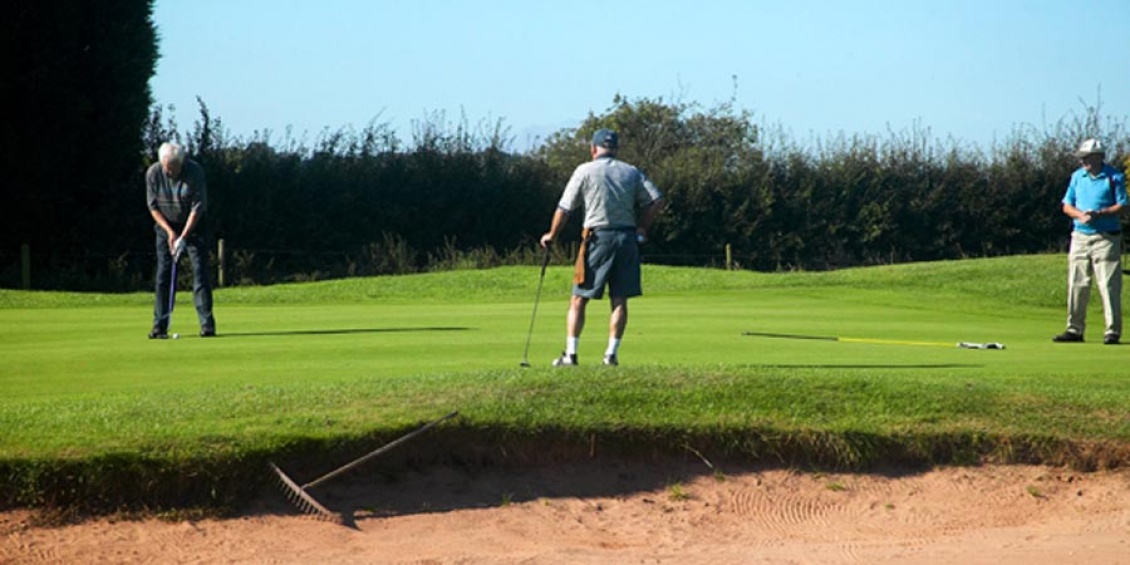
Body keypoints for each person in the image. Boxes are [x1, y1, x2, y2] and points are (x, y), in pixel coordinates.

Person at [540, 128, 665, 366]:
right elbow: (657, 200)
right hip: (627, 239)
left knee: (579, 298)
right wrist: (642, 228)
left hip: (597, 239)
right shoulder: (631, 171)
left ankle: (572, 354)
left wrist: (551, 234)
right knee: (619, 299)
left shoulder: (584, 170)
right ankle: (611, 355)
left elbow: (564, 208)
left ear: (593, 149)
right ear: (615, 149)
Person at [1053, 138, 1128, 345]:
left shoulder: (1114, 177)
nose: (1083, 161)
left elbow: (1122, 205)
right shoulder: (1077, 177)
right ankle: (1074, 329)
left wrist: (1100, 213)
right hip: (1080, 236)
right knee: (1077, 283)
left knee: (1108, 285)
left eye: (1087, 157)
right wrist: (1079, 215)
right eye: (1082, 157)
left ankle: (1112, 331)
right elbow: (1066, 205)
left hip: (1106, 237)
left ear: (1099, 157)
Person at [146, 142, 217, 338]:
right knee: (163, 274)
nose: (170, 172)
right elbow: (153, 207)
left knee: (199, 272)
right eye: (167, 167)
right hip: (165, 226)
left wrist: (184, 237)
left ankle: (207, 324)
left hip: (194, 227)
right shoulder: (153, 173)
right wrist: (170, 233)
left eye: (173, 168)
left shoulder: (194, 172)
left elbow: (197, 208)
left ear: (181, 162)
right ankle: (159, 325)